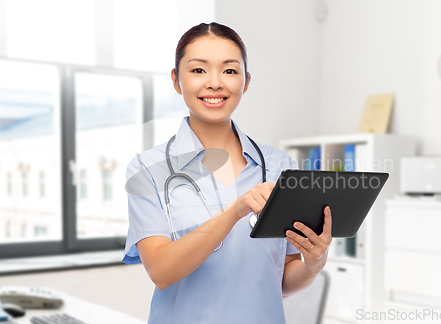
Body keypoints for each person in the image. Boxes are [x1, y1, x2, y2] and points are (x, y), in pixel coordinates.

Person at [122, 22, 332, 323]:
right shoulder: (147, 170)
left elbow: (283, 281)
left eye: (230, 71)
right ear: (176, 80)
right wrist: (235, 210)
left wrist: (314, 263)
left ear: (245, 82)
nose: (215, 83)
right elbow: (162, 272)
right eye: (198, 70)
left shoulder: (279, 166)